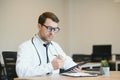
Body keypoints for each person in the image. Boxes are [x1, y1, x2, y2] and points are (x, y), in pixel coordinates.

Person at [16, 12, 79, 78]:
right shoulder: (26, 47)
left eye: (55, 29)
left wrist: (74, 67)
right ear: (39, 26)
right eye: (49, 28)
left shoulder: (55, 46)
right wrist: (50, 66)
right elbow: (21, 72)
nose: (52, 33)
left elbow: (66, 61)